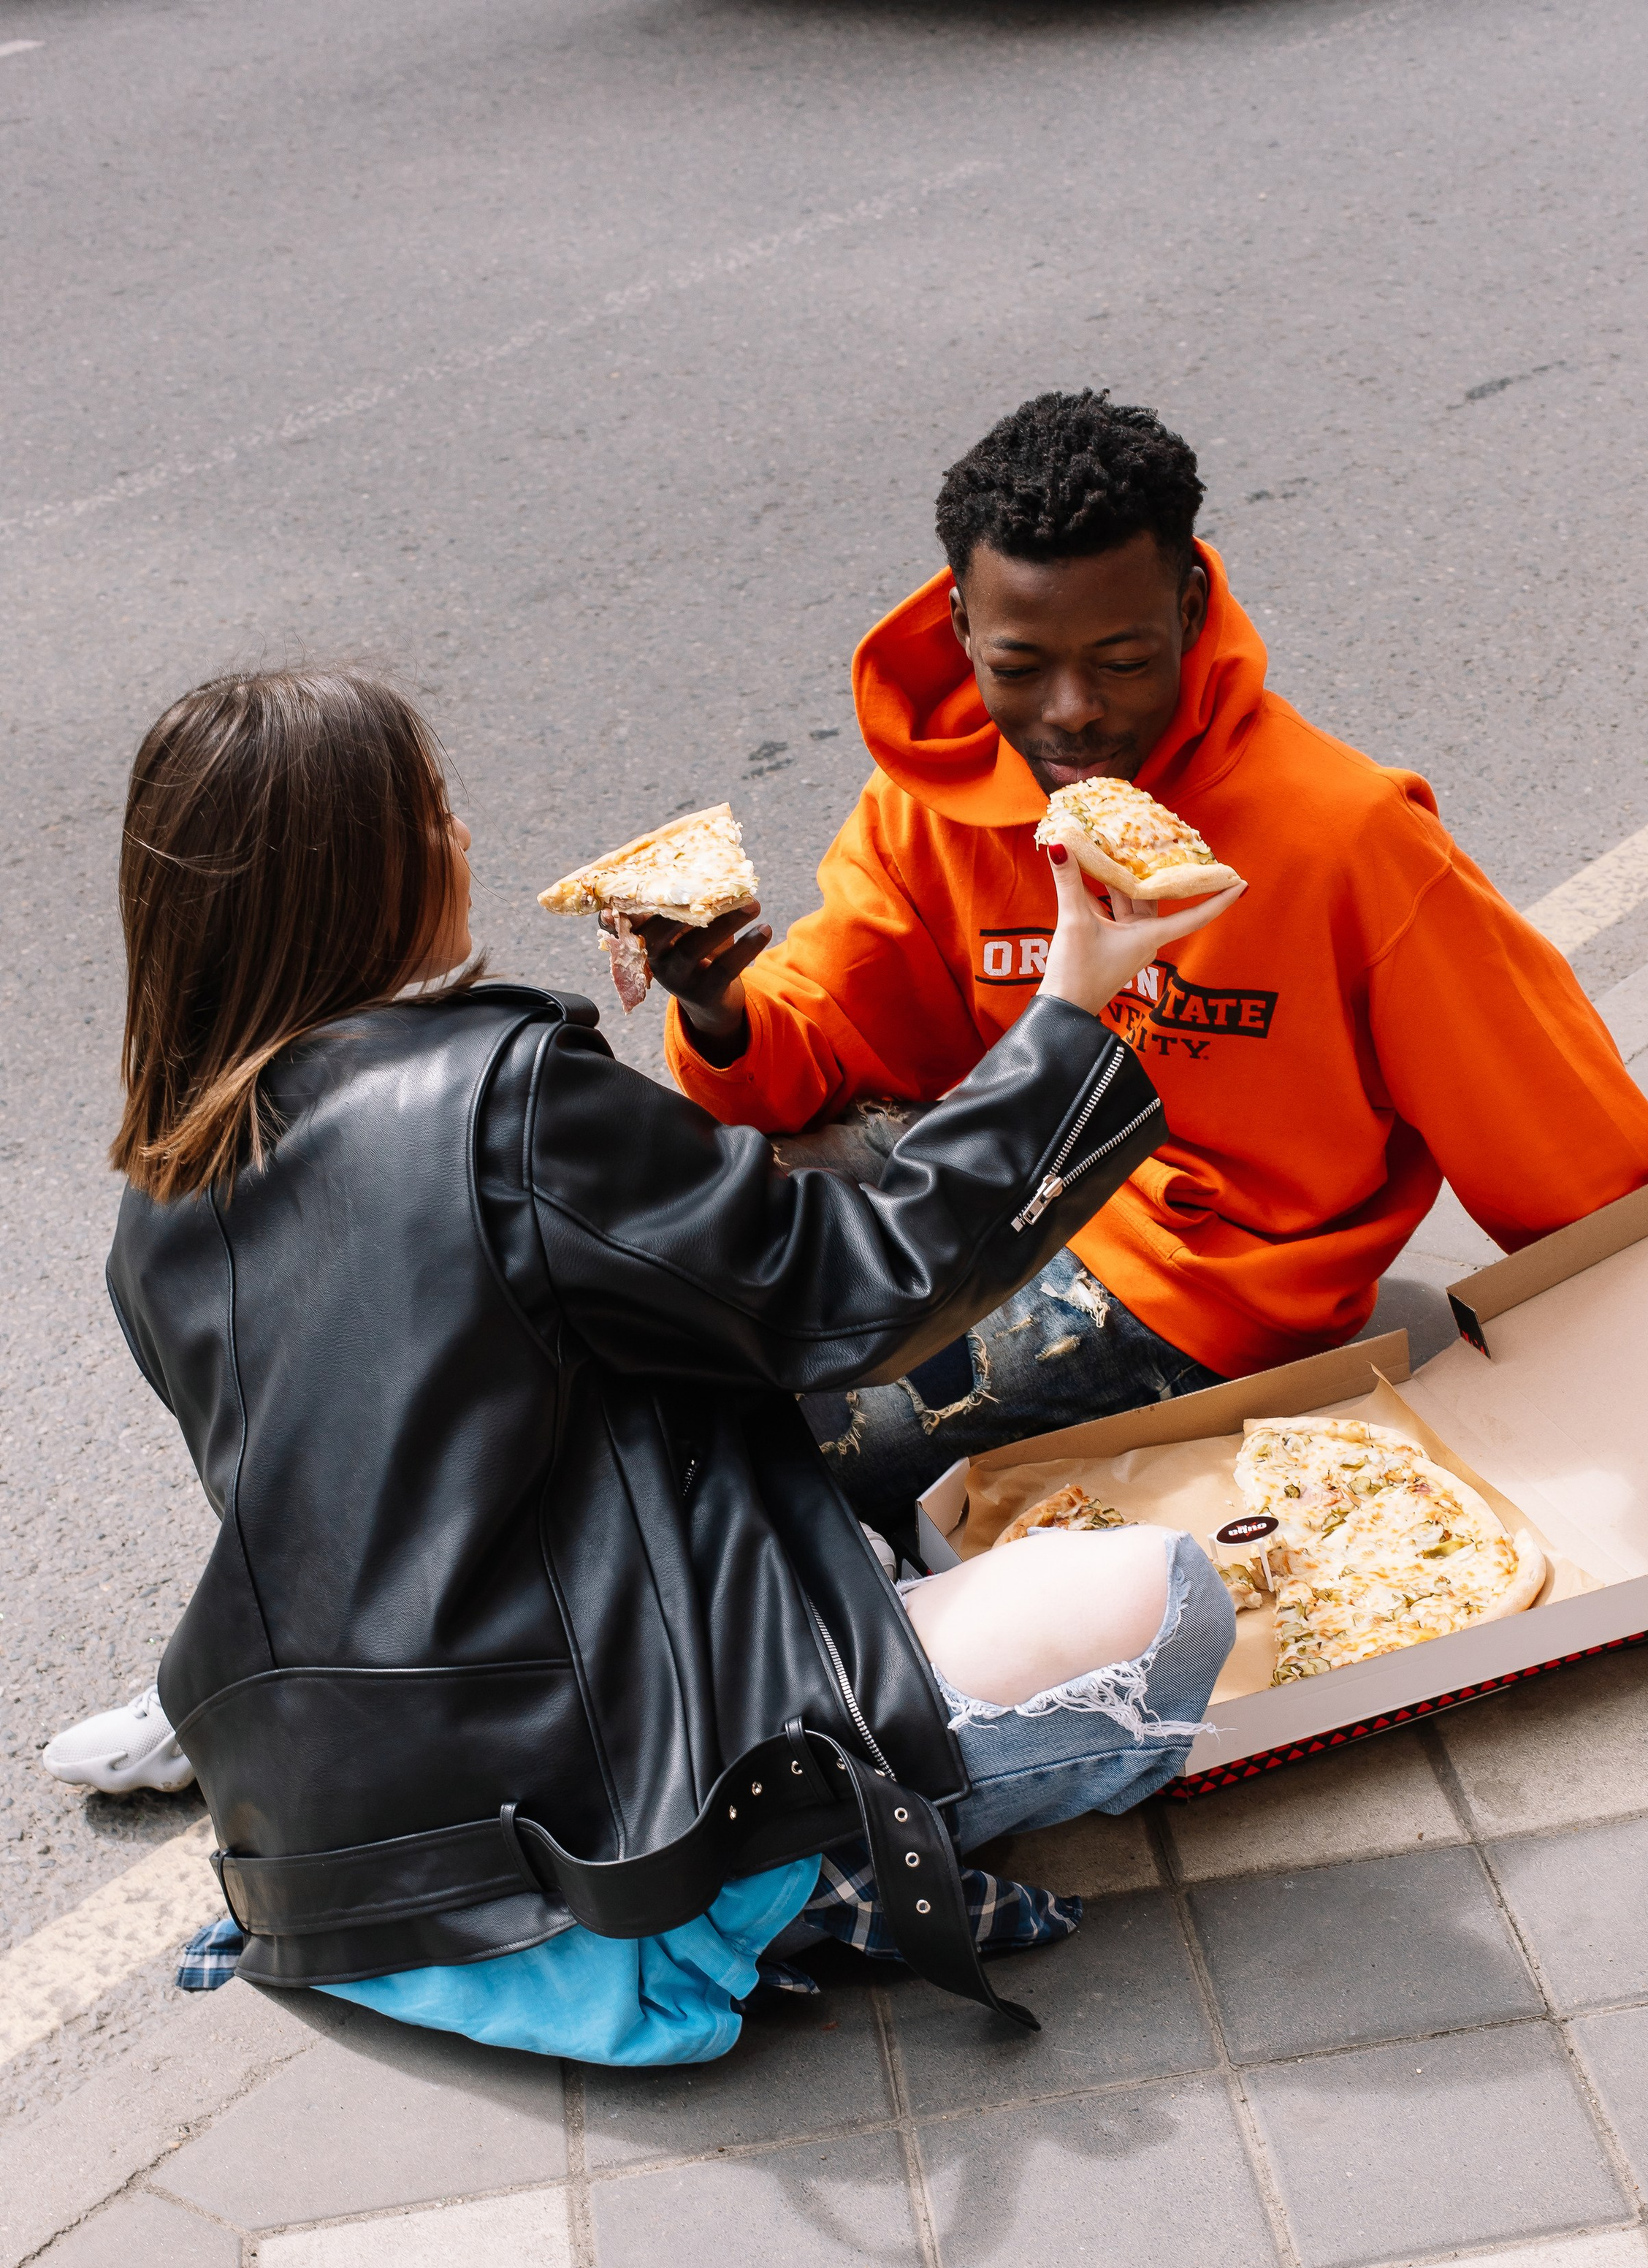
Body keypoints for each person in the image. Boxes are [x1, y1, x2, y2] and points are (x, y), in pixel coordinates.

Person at [45, 669, 1240, 2065]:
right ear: (361, 873)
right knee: (1165, 1598)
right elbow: (866, 1285)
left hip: (334, 1853)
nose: (464, 835)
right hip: (614, 1842)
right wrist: (1078, 1000)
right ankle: (792, 1892)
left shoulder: (159, 1207)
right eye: (436, 811)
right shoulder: (507, 1101)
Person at [644, 389, 1648, 1542]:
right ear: (959, 631)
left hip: (1201, 1282)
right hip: (998, 1176)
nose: (1072, 714)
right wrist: (719, 1009)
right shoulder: (927, 804)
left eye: (1125, 661)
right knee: (674, 1279)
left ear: (1190, 610)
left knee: (805, 1452)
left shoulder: (1344, 837)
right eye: (1021, 664)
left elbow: (1569, 1153)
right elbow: (823, 1045)